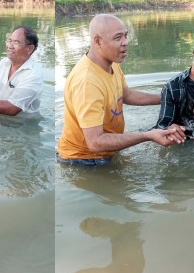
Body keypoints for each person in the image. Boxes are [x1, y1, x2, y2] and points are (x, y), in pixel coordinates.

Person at [57, 14, 185, 166]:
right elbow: (95, 142)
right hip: (83, 160)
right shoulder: (87, 82)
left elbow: (127, 95)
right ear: (97, 41)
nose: (125, 42)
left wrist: (168, 98)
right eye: (118, 38)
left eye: (126, 35)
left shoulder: (110, 62)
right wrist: (147, 136)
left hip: (104, 152)